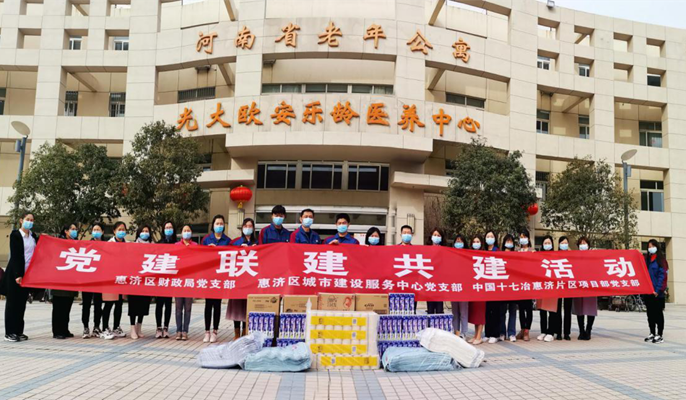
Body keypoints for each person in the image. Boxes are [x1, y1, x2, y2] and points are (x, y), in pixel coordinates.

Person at [2, 213, 38, 342]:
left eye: (32, 220)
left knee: (21, 304)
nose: (30, 222)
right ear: (21, 220)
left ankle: (18, 331)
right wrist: (18, 274)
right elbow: (16, 255)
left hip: (27, 275)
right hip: (15, 274)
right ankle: (9, 332)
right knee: (12, 304)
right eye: (27, 219)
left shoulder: (33, 236)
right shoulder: (16, 235)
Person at [202, 215, 231, 343]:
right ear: (213, 225)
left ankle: (215, 331)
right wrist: (208, 251)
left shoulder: (227, 241)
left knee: (217, 305)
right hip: (209, 276)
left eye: (221, 223)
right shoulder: (206, 239)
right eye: (217, 223)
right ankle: (206, 331)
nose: (219, 225)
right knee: (208, 304)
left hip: (220, 277)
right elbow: (200, 255)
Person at [227, 218, 257, 340]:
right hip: (238, 279)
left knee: (247, 307)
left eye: (250, 226)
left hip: (251, 280)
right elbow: (228, 256)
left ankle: (245, 332)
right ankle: (236, 334)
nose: (248, 228)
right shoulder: (235, 242)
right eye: (246, 226)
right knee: (236, 306)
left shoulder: (258, 243)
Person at [51, 224, 80, 339]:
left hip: (71, 280)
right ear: (66, 231)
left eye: (75, 229)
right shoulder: (59, 242)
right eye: (72, 229)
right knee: (59, 307)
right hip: (59, 279)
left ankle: (64, 329)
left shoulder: (76, 243)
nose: (74, 231)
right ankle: (57, 331)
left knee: (67, 306)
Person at [101, 221, 129, 340]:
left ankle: (116, 327)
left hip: (122, 278)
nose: (121, 232)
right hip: (110, 278)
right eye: (119, 229)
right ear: (114, 231)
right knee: (108, 304)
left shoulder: (128, 244)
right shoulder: (109, 244)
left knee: (119, 303)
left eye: (123, 229)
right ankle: (104, 328)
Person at [128, 225, 153, 339]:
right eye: (142, 231)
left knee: (143, 304)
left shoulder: (153, 246)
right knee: (133, 304)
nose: (145, 233)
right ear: (138, 233)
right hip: (135, 280)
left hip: (146, 280)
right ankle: (132, 328)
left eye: (147, 231)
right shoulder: (133, 246)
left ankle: (139, 327)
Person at [81, 223, 104, 339]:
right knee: (86, 304)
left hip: (100, 280)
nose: (96, 231)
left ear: (102, 232)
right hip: (88, 279)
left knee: (98, 304)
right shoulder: (87, 245)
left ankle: (96, 326)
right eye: (94, 229)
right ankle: (85, 327)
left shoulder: (106, 246)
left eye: (98, 229)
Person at [155, 221, 177, 339]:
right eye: (166, 227)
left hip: (171, 278)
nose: (168, 229)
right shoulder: (159, 243)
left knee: (168, 304)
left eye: (170, 227)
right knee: (159, 304)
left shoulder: (177, 244)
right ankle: (158, 327)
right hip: (160, 279)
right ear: (163, 230)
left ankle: (166, 327)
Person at [644, 239, 668, 344]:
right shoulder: (647, 259)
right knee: (650, 314)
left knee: (658, 314)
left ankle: (660, 335)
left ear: (657, 247)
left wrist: (658, 290)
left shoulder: (661, 260)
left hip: (657, 293)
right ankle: (652, 332)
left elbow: (662, 276)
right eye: (649, 247)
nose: (650, 248)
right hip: (648, 292)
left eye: (652, 246)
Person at [174, 225, 196, 340]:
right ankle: (178, 330)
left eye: (188, 230)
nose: (186, 232)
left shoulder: (195, 246)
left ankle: (185, 331)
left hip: (190, 281)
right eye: (184, 230)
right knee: (178, 308)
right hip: (179, 281)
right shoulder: (176, 245)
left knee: (188, 308)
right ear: (181, 233)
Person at [573, 236, 597, 340]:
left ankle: (588, 330)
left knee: (590, 309)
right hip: (579, 286)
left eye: (584, 243)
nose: (583, 245)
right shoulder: (574, 257)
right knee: (579, 309)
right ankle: (581, 331)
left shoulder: (593, 256)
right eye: (581, 244)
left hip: (591, 286)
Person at [536, 235, 559, 343]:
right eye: (545, 243)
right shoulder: (539, 256)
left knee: (552, 310)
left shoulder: (556, 256)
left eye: (549, 243)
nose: (547, 245)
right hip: (542, 286)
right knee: (542, 310)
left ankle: (551, 332)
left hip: (552, 286)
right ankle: (543, 331)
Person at [483, 230, 503, 344]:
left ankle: (495, 334)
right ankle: (487, 333)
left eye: (491, 236)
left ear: (495, 239)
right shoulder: (483, 251)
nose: (489, 238)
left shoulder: (498, 251)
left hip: (495, 285)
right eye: (488, 236)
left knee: (495, 311)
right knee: (487, 311)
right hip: (485, 285)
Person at [516, 229, 534, 341]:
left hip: (529, 283)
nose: (522, 239)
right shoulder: (517, 251)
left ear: (528, 238)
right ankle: (522, 329)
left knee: (529, 308)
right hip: (519, 283)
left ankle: (527, 330)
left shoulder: (532, 251)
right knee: (521, 308)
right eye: (521, 237)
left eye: (524, 237)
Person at [468, 235, 486, 345]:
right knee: (474, 312)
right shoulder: (469, 254)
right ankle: (475, 334)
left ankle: (479, 335)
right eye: (474, 241)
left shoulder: (484, 255)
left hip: (482, 288)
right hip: (473, 288)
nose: (476, 243)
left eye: (478, 241)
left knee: (480, 312)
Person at [500, 234, 518, 342]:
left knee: (513, 311)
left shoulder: (516, 255)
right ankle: (502, 332)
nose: (509, 243)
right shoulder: (500, 254)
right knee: (502, 311)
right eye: (507, 241)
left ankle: (511, 333)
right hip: (502, 286)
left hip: (513, 286)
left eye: (511, 241)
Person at [450, 234, 469, 338]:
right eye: (457, 241)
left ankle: (464, 332)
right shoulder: (450, 254)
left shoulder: (468, 255)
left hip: (464, 288)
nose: (459, 243)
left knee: (463, 312)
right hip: (454, 287)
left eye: (461, 241)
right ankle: (456, 332)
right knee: (455, 312)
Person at [555, 236, 573, 340]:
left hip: (568, 286)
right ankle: (558, 332)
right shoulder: (555, 255)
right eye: (562, 243)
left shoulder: (572, 255)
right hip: (558, 285)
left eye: (566, 243)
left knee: (567, 310)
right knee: (557, 310)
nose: (564, 244)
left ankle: (567, 333)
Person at [425, 228, 445, 315]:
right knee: (430, 309)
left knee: (439, 309)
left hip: (440, 283)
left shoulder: (445, 250)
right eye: (435, 235)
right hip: (429, 282)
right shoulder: (426, 249)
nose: (436, 237)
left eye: (438, 235)